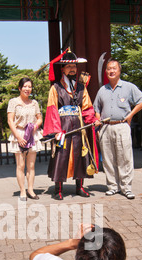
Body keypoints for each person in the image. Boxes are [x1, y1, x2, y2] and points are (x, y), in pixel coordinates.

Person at [43, 50, 100, 200]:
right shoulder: (55, 88)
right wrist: (56, 130)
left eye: (74, 66)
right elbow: (52, 109)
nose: (72, 69)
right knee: (61, 156)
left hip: (78, 125)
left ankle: (80, 187)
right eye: (68, 67)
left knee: (80, 155)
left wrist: (92, 120)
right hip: (62, 127)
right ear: (62, 69)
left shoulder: (81, 88)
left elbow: (87, 107)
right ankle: (58, 189)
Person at [93, 59, 142, 199]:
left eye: (114, 68)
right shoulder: (102, 90)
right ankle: (112, 186)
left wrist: (131, 115)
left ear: (119, 70)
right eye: (109, 69)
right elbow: (96, 108)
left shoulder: (128, 87)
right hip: (106, 127)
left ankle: (126, 187)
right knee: (108, 158)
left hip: (122, 125)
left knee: (125, 157)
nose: (111, 71)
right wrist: (98, 122)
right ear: (106, 72)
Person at [7, 77, 43, 201]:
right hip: (19, 133)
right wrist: (18, 137)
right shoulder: (13, 102)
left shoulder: (34, 103)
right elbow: (10, 121)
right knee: (20, 165)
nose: (27, 89)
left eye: (29, 86)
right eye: (25, 86)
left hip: (32, 134)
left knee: (31, 165)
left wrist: (35, 127)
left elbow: (39, 118)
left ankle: (31, 190)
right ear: (19, 88)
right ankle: (22, 190)